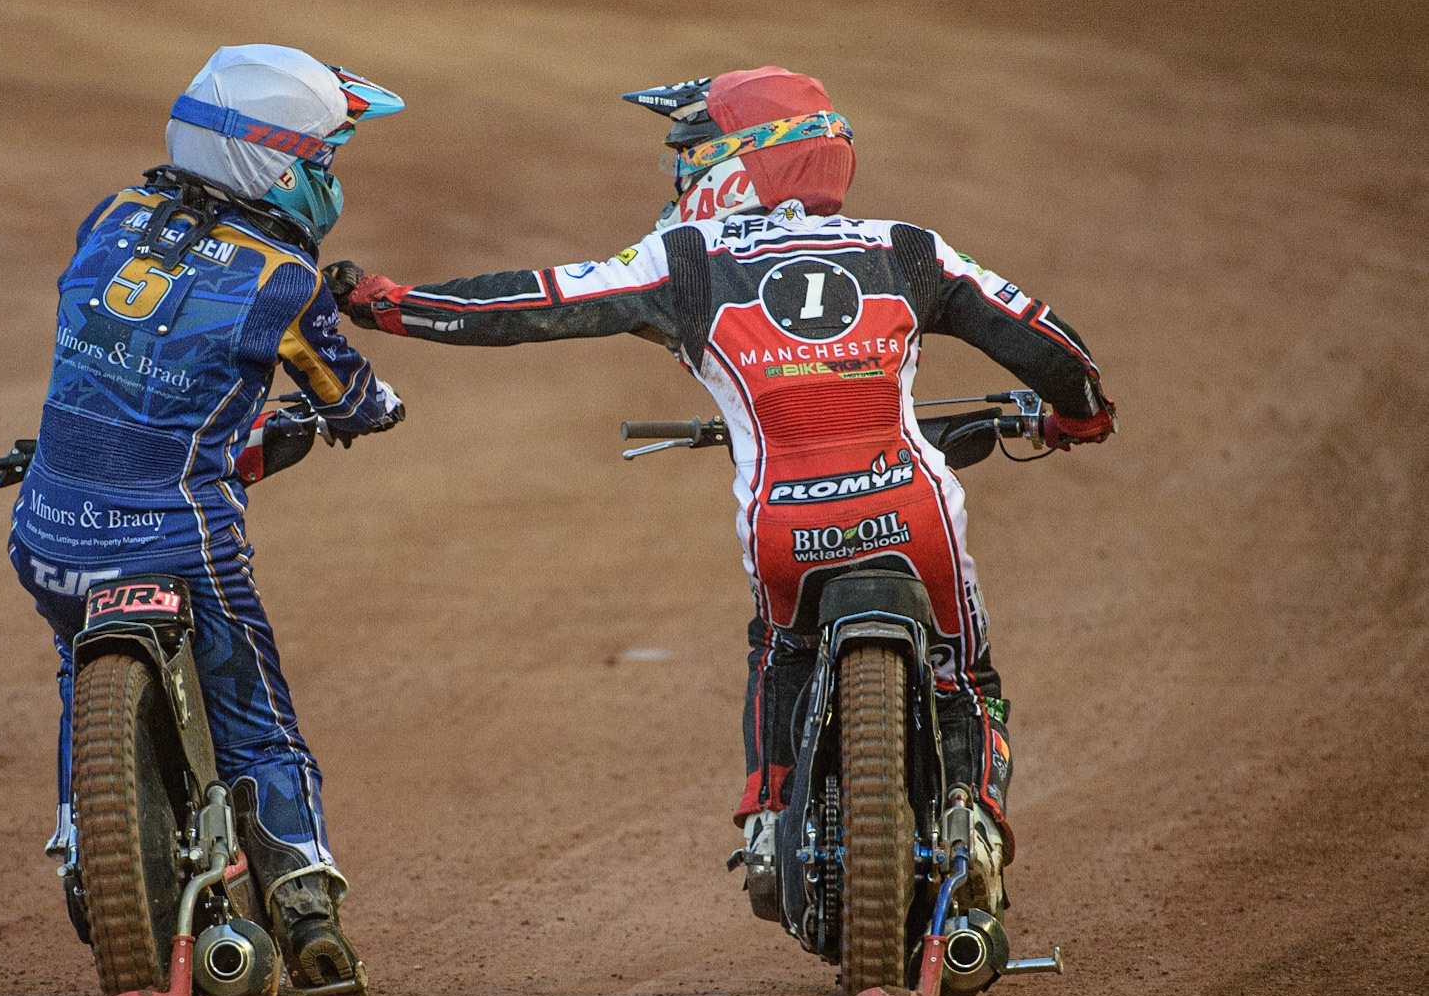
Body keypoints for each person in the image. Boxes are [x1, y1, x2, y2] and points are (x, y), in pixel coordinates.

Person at [331, 66, 1114, 923]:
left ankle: (773, 816)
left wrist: (391, 305)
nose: (679, 177)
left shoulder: (687, 261)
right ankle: (977, 825)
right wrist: (1079, 416)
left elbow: (538, 301)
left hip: (784, 524)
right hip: (915, 512)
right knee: (964, 676)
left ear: (743, 164)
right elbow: (1042, 340)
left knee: (779, 650)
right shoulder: (905, 247)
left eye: (690, 155)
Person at [10, 44, 405, 996]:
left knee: (73, 666)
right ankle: (305, 894)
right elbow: (346, 396)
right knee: (255, 714)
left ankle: (79, 839)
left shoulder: (108, 219)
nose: (331, 177)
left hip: (48, 529)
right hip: (178, 540)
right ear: (271, 166)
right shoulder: (282, 277)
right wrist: (373, 407)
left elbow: (103, 345)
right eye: (322, 157)